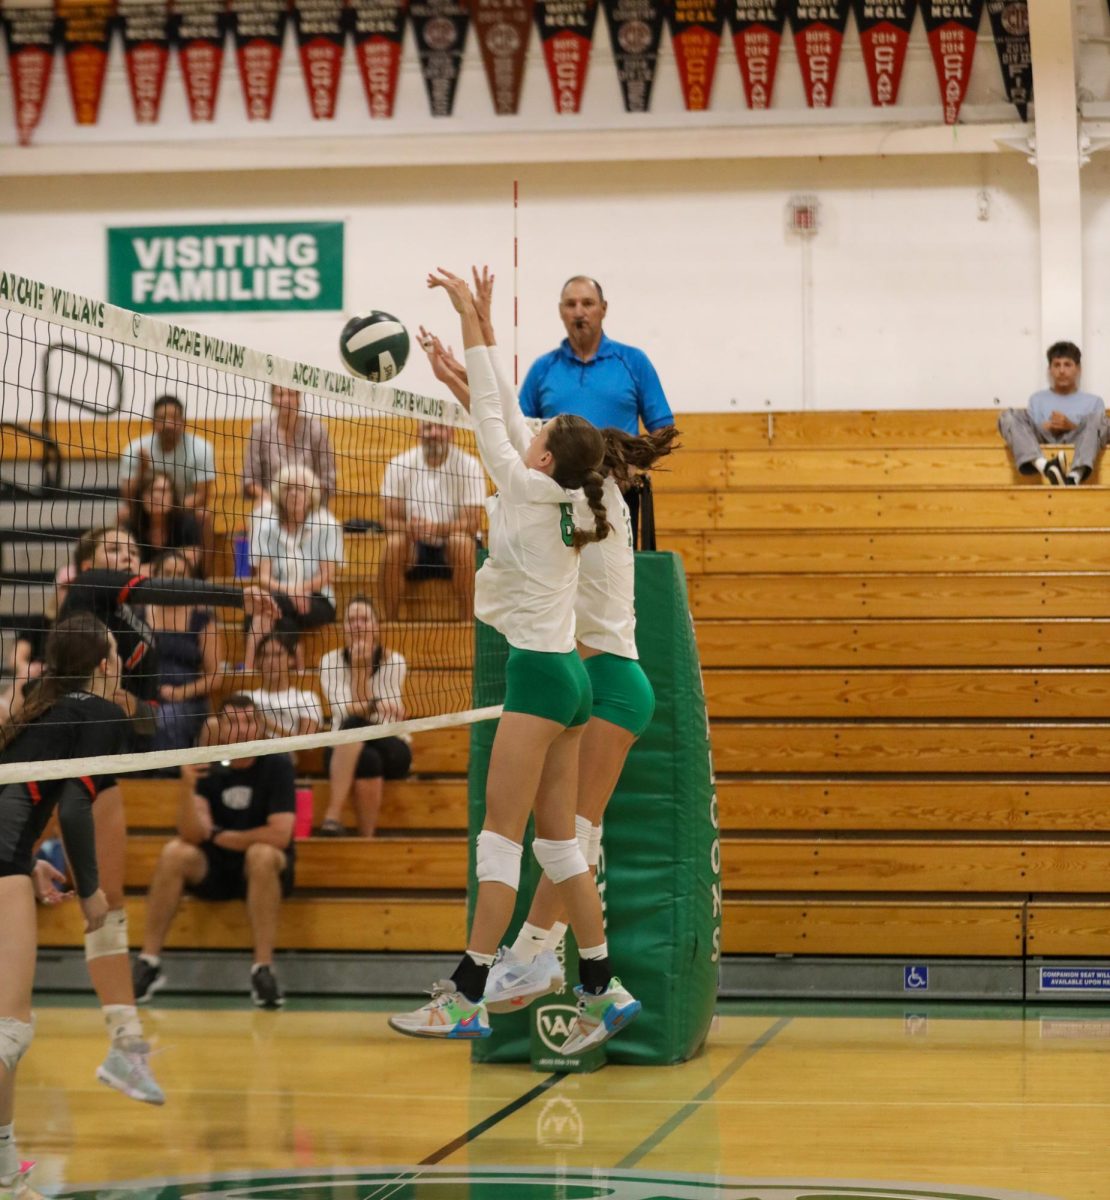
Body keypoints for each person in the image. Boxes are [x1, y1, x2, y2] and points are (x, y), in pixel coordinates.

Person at [389, 266, 639, 1053]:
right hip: (572, 678)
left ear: (538, 458)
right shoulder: (582, 499)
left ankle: (466, 992)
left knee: (501, 840)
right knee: (560, 845)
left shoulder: (520, 485)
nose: (527, 434)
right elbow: (506, 414)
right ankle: (602, 983)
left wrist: (471, 317)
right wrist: (480, 334)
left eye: (538, 434)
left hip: (540, 672)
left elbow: (497, 412)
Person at [55, 525, 277, 1103]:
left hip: (96, 763)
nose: (125, 556)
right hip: (59, 749)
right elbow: (165, 590)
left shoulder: (142, 634)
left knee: (106, 908)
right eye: (114, 548)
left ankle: (125, 1045)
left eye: (131, 549)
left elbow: (145, 716)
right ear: (92, 562)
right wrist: (237, 595)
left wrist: (129, 703)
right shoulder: (90, 590)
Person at [484, 424, 680, 1015]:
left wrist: (478, 375)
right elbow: (524, 437)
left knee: (568, 837)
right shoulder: (597, 501)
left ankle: (533, 960)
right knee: (572, 836)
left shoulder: (579, 504)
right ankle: (549, 964)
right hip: (614, 681)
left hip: (609, 682)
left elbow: (516, 439)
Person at [0, 615, 128, 1198]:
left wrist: (28, 861)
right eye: (119, 651)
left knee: (7, 1031)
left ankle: (5, 1170)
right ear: (105, 663)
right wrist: (93, 889)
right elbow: (77, 807)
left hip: (9, 859)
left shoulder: (38, 704)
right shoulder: (100, 712)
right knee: (8, 1031)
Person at [132, 695, 296, 1010]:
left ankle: (263, 970)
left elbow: (280, 834)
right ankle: (148, 962)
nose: (242, 730)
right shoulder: (205, 764)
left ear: (259, 727)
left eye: (248, 722)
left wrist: (220, 836)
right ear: (218, 728)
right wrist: (186, 784)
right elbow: (193, 833)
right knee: (174, 852)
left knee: (261, 853)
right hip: (215, 868)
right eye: (233, 723)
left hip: (262, 870)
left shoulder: (276, 762)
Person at [518, 275, 674, 549]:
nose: (579, 311)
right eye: (571, 304)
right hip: (555, 497)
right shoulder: (542, 369)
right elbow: (519, 428)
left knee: (610, 580)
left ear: (603, 308)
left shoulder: (633, 361)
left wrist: (632, 466)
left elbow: (664, 431)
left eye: (587, 303)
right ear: (561, 311)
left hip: (615, 492)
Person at [317, 595, 410, 837]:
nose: (357, 625)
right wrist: (361, 672)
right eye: (351, 620)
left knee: (355, 726)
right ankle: (367, 842)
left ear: (376, 626)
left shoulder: (395, 661)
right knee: (367, 757)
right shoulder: (329, 661)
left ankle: (333, 814)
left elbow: (376, 720)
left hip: (391, 744)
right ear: (344, 628)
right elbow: (345, 710)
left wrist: (368, 701)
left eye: (364, 619)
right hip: (345, 746)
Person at [379, 422, 486, 622]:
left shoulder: (469, 465)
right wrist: (409, 528)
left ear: (452, 432)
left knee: (461, 542)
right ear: (418, 431)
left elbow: (472, 523)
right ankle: (390, 624)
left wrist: (436, 528)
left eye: (440, 427)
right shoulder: (399, 464)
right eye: (428, 428)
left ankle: (468, 626)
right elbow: (387, 521)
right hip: (416, 547)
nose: (434, 433)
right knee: (393, 544)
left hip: (452, 548)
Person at [247, 464, 344, 668]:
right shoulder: (266, 528)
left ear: (311, 495)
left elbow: (327, 576)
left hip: (318, 599)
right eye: (287, 488)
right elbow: (263, 577)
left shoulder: (327, 525)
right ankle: (296, 658)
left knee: (261, 610)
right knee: (276, 612)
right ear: (278, 494)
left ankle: (248, 667)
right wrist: (292, 593)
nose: (293, 494)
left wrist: (301, 591)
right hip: (282, 596)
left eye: (300, 489)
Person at [119, 395, 216, 575]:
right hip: (146, 508)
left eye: (174, 418)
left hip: (183, 509)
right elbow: (128, 497)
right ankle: (122, 574)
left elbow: (202, 495)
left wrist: (169, 506)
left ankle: (203, 579)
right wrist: (142, 471)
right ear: (153, 422)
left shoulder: (201, 448)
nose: (169, 424)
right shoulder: (136, 449)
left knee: (205, 515)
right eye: (162, 418)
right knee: (122, 513)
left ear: (184, 422)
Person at [998, 341, 1108, 486]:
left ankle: (1075, 475)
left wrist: (1071, 426)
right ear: (1050, 369)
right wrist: (1045, 427)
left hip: (1077, 440)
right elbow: (1028, 433)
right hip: (1044, 440)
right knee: (1008, 416)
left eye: (1067, 365)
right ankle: (1045, 466)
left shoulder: (1094, 401)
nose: (1062, 371)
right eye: (1057, 365)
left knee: (1099, 419)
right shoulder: (1036, 399)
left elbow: (1098, 435)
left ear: (1078, 369)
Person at [145, 551, 220, 756]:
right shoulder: (138, 612)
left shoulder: (202, 616)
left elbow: (215, 676)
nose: (174, 580)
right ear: (155, 576)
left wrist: (180, 693)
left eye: (180, 574)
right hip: (144, 695)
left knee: (166, 719)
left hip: (187, 699)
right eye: (167, 573)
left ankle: (165, 781)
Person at [243, 385, 337, 509]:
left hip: (310, 506)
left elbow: (328, 478)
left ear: (298, 398)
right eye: (280, 395)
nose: (286, 399)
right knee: (264, 514)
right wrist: (268, 498)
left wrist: (304, 500)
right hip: (272, 504)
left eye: (291, 394)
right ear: (273, 399)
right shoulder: (259, 431)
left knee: (329, 524)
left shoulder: (317, 430)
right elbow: (249, 478)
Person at [247, 634, 325, 738]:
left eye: (278, 654)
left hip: (290, 754)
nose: (270, 661)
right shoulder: (247, 698)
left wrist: (266, 723)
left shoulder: (306, 699)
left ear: (291, 659)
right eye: (265, 655)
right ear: (258, 661)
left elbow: (307, 748)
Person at [125, 471, 202, 572]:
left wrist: (146, 569)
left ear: (173, 497)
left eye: (162, 491)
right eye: (150, 491)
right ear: (141, 497)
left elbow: (191, 561)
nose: (156, 496)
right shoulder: (130, 527)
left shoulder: (186, 523)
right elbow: (127, 568)